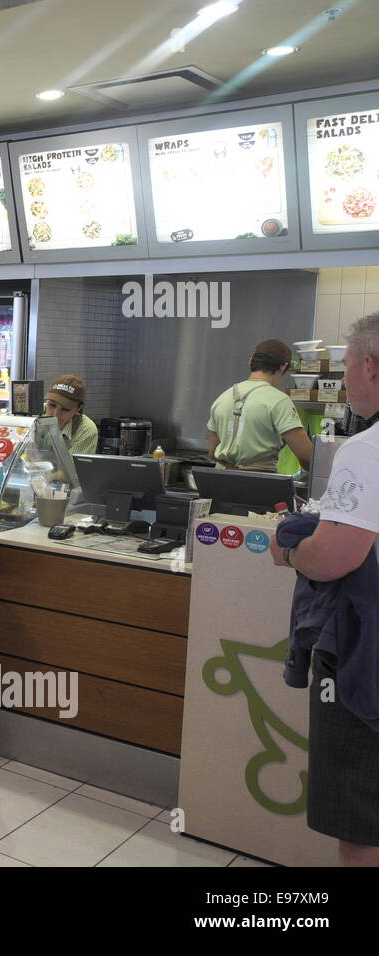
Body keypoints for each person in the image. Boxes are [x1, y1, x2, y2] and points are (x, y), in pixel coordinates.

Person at [271, 312, 379, 867]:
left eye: (344, 371)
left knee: (363, 825)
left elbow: (336, 556)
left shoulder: (366, 450)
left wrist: (289, 550)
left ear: (369, 366)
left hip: (366, 669)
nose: (342, 384)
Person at [207, 339, 312, 472]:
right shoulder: (279, 401)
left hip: (220, 479)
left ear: (251, 362)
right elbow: (306, 456)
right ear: (283, 367)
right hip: (259, 480)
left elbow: (212, 451)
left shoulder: (222, 398)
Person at [43, 375, 99, 455]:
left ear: (78, 409)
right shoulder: (34, 414)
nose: (55, 415)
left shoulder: (85, 430)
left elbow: (71, 466)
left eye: (65, 409)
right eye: (52, 405)